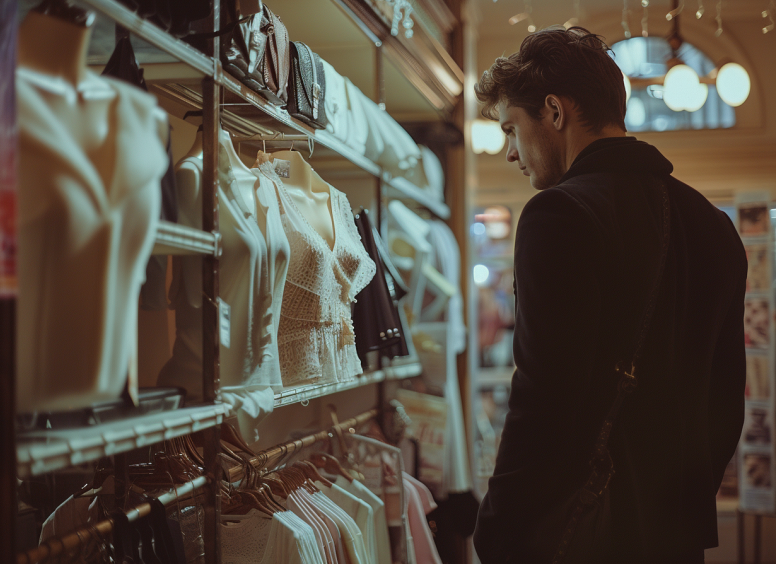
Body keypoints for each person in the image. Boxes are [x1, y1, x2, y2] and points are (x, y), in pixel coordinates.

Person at [472, 27, 746, 563]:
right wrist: (679, 506)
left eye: (511, 129)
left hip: (586, 533)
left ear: (553, 111)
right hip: (675, 535)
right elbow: (725, 400)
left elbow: (544, 397)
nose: (510, 153)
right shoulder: (712, 224)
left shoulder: (558, 215)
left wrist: (498, 530)